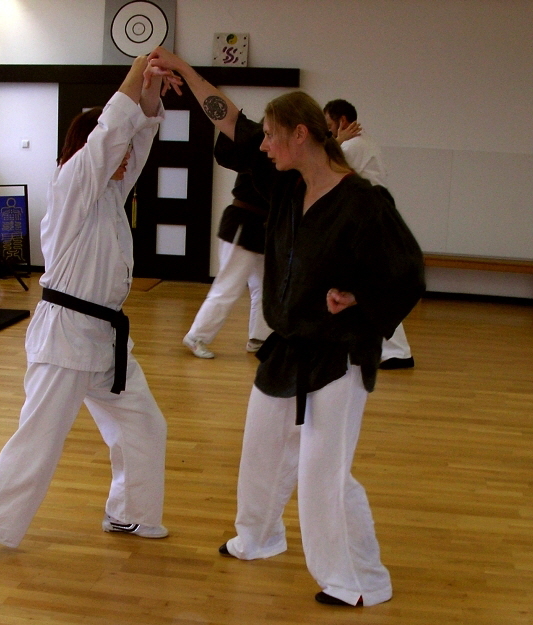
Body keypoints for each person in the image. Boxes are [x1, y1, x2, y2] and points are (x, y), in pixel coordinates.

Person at [149, 48, 425, 607]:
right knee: (262, 451)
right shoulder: (286, 185)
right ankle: (258, 537)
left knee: (326, 474)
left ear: (302, 135)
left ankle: (360, 580)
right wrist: (181, 68)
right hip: (288, 346)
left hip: (339, 352)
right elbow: (227, 117)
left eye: (273, 136)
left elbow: (408, 271)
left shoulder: (364, 203)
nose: (264, 146)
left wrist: (361, 298)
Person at [0, 55, 180, 568]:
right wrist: (138, 66)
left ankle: (127, 512)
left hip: (104, 341)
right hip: (64, 337)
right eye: (112, 150)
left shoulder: (110, 196)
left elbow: (136, 141)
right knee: (38, 442)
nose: (124, 160)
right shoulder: (73, 185)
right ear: (88, 147)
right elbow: (111, 140)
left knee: (145, 426)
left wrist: (150, 89)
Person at [324, 99, 414, 370]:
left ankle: (397, 351)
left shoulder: (353, 145)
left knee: (370, 287)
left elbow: (327, 168)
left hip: (369, 223)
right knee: (362, 287)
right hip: (371, 220)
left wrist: (337, 141)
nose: (328, 132)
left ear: (341, 122)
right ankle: (383, 348)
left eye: (329, 125)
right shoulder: (365, 143)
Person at [182, 170, 272, 359]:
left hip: (261, 226)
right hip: (242, 222)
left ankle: (259, 338)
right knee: (228, 286)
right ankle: (196, 336)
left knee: (265, 285)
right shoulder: (258, 155)